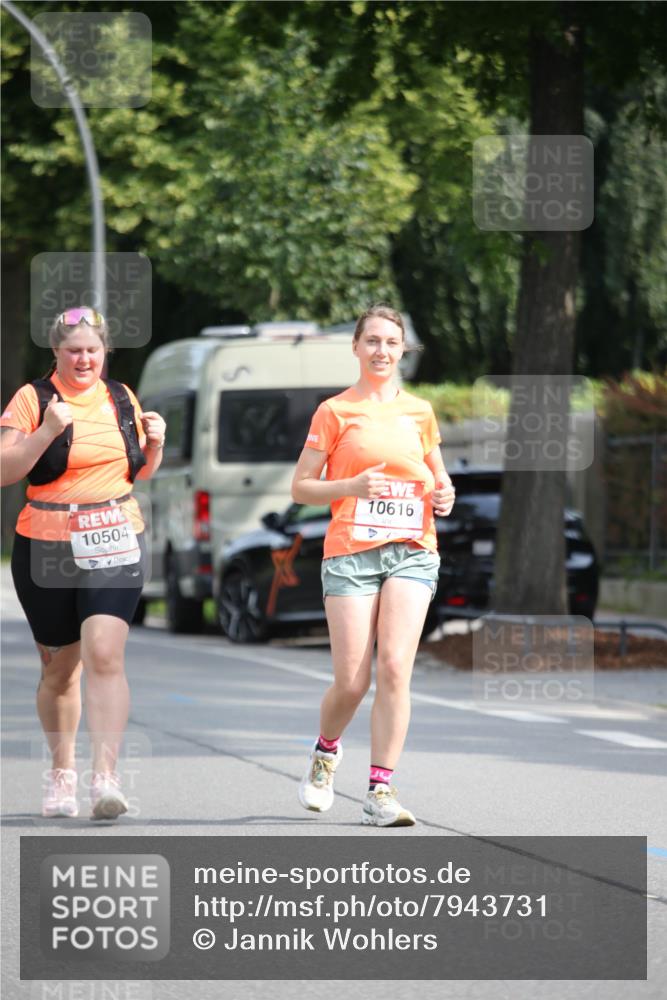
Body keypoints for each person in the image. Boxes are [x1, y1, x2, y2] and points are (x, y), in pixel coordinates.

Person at [292, 304, 455, 827]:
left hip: (412, 548)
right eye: (373, 341)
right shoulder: (334, 411)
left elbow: (438, 478)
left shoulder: (420, 412)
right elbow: (301, 487)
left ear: (403, 350)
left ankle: (380, 790)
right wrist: (351, 486)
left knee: (395, 668)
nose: (382, 351)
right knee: (351, 681)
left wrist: (445, 494)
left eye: (391, 342)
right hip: (351, 553)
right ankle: (326, 752)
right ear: (357, 348)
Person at [0, 307, 166, 821]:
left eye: (93, 350)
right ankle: (62, 773)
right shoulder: (33, 399)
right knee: (60, 670)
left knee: (104, 654)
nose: (84, 359)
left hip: (115, 535)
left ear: (104, 352)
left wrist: (155, 445)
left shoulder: (122, 397)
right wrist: (45, 432)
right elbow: (5, 470)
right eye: (73, 350)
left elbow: (138, 472)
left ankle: (105, 778)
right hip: (47, 543)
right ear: (56, 352)